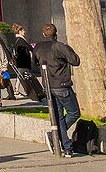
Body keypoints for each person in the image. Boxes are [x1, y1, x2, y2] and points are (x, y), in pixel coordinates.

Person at [33, 23, 82, 157]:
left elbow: (35, 62)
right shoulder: (59, 46)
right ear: (56, 34)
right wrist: (68, 50)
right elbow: (76, 60)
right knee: (74, 113)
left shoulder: (38, 47)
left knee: (59, 116)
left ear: (44, 34)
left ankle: (66, 146)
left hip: (48, 85)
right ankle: (57, 136)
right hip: (61, 84)